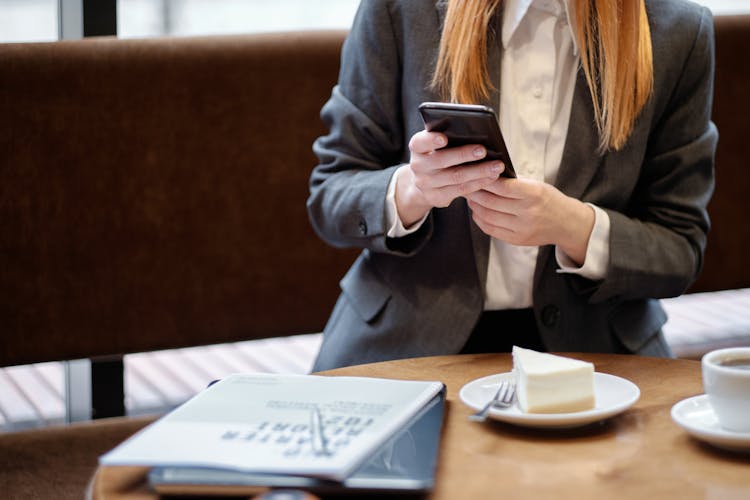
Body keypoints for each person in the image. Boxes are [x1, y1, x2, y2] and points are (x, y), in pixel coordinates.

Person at [307, 0, 717, 371]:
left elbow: (679, 251)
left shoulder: (677, 31)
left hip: (597, 352)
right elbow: (331, 193)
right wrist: (412, 191)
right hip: (405, 344)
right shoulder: (402, 9)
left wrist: (576, 227)